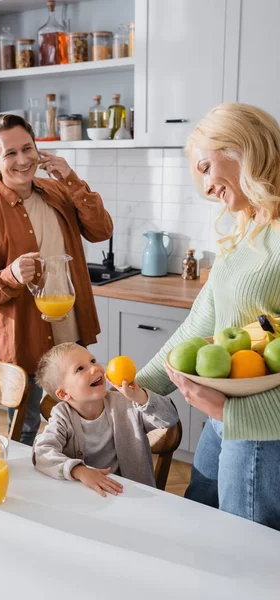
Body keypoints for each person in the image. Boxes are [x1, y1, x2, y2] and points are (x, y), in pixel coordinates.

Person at [136, 103, 280, 530]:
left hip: (260, 433)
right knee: (198, 527)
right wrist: (127, 393)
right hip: (223, 423)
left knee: (243, 559)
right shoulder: (249, 227)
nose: (205, 187)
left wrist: (232, 413)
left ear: (240, 148)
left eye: (205, 167)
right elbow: (200, 326)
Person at [0, 114, 113, 446]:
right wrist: (10, 275)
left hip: (72, 338)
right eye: (10, 153)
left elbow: (102, 230)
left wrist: (72, 179)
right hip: (25, 343)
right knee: (24, 430)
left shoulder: (59, 191)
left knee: (85, 422)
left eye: (27, 148)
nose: (22, 160)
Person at [32, 342, 179, 496]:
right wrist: (79, 471)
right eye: (80, 368)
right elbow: (42, 452)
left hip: (133, 496)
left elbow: (169, 418)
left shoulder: (126, 403)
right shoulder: (62, 416)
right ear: (63, 394)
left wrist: (141, 397)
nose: (95, 368)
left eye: (92, 361)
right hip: (88, 497)